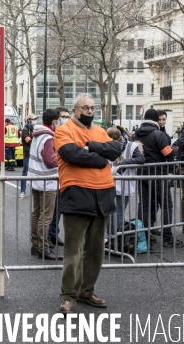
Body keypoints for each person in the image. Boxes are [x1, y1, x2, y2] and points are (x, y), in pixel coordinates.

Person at [54, 93, 121, 313]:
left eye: (92, 108)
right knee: (73, 251)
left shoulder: (100, 131)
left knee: (95, 250)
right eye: (85, 108)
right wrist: (100, 157)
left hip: (102, 195)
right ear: (75, 111)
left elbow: (115, 149)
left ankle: (86, 291)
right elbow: (71, 154)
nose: (90, 112)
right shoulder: (64, 130)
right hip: (77, 194)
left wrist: (90, 147)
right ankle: (67, 296)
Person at [132, 109, 183, 247]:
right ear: (155, 120)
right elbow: (169, 154)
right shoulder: (158, 134)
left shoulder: (135, 135)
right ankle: (168, 238)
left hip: (142, 173)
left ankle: (144, 237)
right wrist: (176, 149)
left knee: (144, 205)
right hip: (158, 174)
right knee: (166, 205)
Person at [28, 109, 61, 260]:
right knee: (46, 216)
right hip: (47, 180)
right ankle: (43, 247)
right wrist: (62, 158)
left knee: (36, 213)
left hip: (36, 178)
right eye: (59, 119)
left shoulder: (37, 133)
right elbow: (50, 161)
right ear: (54, 121)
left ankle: (35, 244)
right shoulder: (48, 137)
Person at [105, 127, 144, 246]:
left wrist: (123, 164)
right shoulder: (107, 144)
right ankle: (109, 237)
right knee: (109, 211)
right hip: (109, 183)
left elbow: (141, 159)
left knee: (119, 212)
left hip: (124, 184)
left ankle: (116, 238)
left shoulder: (131, 146)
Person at [48, 106, 70, 248]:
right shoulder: (51, 135)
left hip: (63, 177)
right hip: (51, 178)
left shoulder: (66, 134)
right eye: (62, 117)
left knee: (59, 209)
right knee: (50, 211)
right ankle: (48, 236)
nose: (65, 120)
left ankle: (54, 234)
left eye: (67, 116)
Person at [20, 114, 37, 199]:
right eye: (34, 119)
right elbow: (29, 141)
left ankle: (35, 191)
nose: (35, 120)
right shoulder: (25, 130)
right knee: (25, 172)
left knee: (35, 173)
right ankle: (22, 191)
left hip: (35, 154)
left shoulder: (36, 129)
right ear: (29, 120)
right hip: (27, 154)